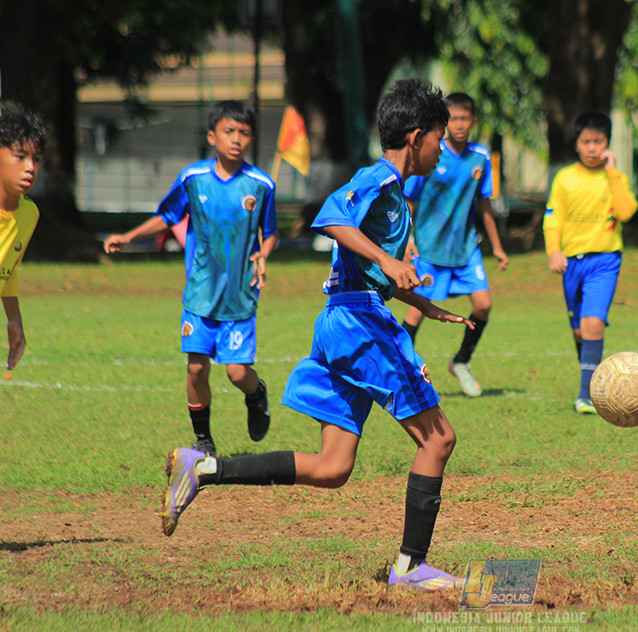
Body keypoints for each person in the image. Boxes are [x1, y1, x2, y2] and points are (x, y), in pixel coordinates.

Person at [159, 78, 472, 592]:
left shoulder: (396, 197)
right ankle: (411, 568)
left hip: (343, 322)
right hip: (360, 325)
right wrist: (391, 261)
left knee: (332, 467)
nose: (443, 151)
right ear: (417, 137)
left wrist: (423, 305)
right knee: (439, 440)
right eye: (440, 138)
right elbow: (330, 216)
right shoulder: (379, 180)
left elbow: (367, 270)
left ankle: (203, 469)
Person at [104, 101, 277, 455]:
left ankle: (257, 395)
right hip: (199, 294)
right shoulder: (193, 178)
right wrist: (129, 236)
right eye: (229, 131)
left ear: (252, 138)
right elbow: (167, 216)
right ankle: (204, 440)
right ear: (213, 136)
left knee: (237, 374)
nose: (237, 139)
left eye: (244, 133)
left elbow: (271, 231)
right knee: (196, 369)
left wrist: (264, 254)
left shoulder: (261, 185)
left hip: (239, 297)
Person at [400, 92, 509, 397]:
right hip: (429, 249)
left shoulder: (481, 157)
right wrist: (407, 240)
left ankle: (461, 361)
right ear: (446, 123)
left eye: (465, 119)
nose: (460, 125)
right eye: (454, 119)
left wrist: (497, 247)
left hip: (465, 249)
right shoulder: (433, 153)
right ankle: (400, 369)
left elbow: (484, 204)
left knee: (484, 305)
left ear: (473, 122)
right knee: (416, 311)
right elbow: (409, 201)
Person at [543, 111, 638, 414]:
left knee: (592, 322)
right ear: (577, 144)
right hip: (572, 265)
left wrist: (613, 174)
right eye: (587, 142)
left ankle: (587, 396)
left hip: (605, 261)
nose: (593, 148)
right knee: (579, 330)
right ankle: (592, 376)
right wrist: (553, 251)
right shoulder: (565, 178)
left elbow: (626, 212)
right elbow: (553, 218)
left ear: (607, 144)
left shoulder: (615, 179)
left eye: (599, 141)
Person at [0, 103, 46, 372]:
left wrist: (14, 320)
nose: (30, 167)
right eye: (20, 157)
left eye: (37, 158)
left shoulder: (29, 214)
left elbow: (8, 270)